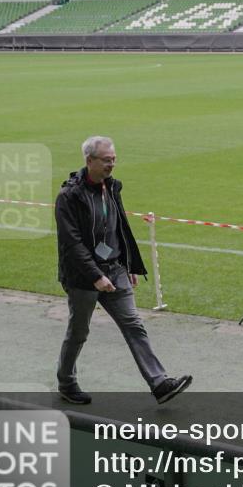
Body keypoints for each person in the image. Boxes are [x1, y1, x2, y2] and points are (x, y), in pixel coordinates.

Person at [55, 136, 191, 405]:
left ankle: (160, 383)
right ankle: (66, 383)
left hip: (114, 269)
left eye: (114, 159)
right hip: (83, 277)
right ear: (89, 160)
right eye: (107, 160)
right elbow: (72, 244)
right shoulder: (68, 196)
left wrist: (128, 264)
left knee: (134, 325)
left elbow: (119, 228)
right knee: (79, 332)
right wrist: (96, 276)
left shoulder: (111, 188)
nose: (112, 164)